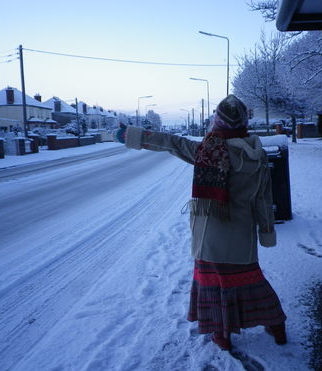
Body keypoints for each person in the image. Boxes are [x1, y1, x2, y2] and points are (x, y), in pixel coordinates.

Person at [112, 95, 287, 351]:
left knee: (214, 284)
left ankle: (222, 333)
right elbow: (264, 197)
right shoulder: (257, 153)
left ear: (218, 122)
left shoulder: (209, 149)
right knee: (251, 280)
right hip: (242, 233)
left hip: (212, 232)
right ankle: (276, 325)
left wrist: (131, 135)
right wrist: (266, 230)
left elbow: (171, 143)